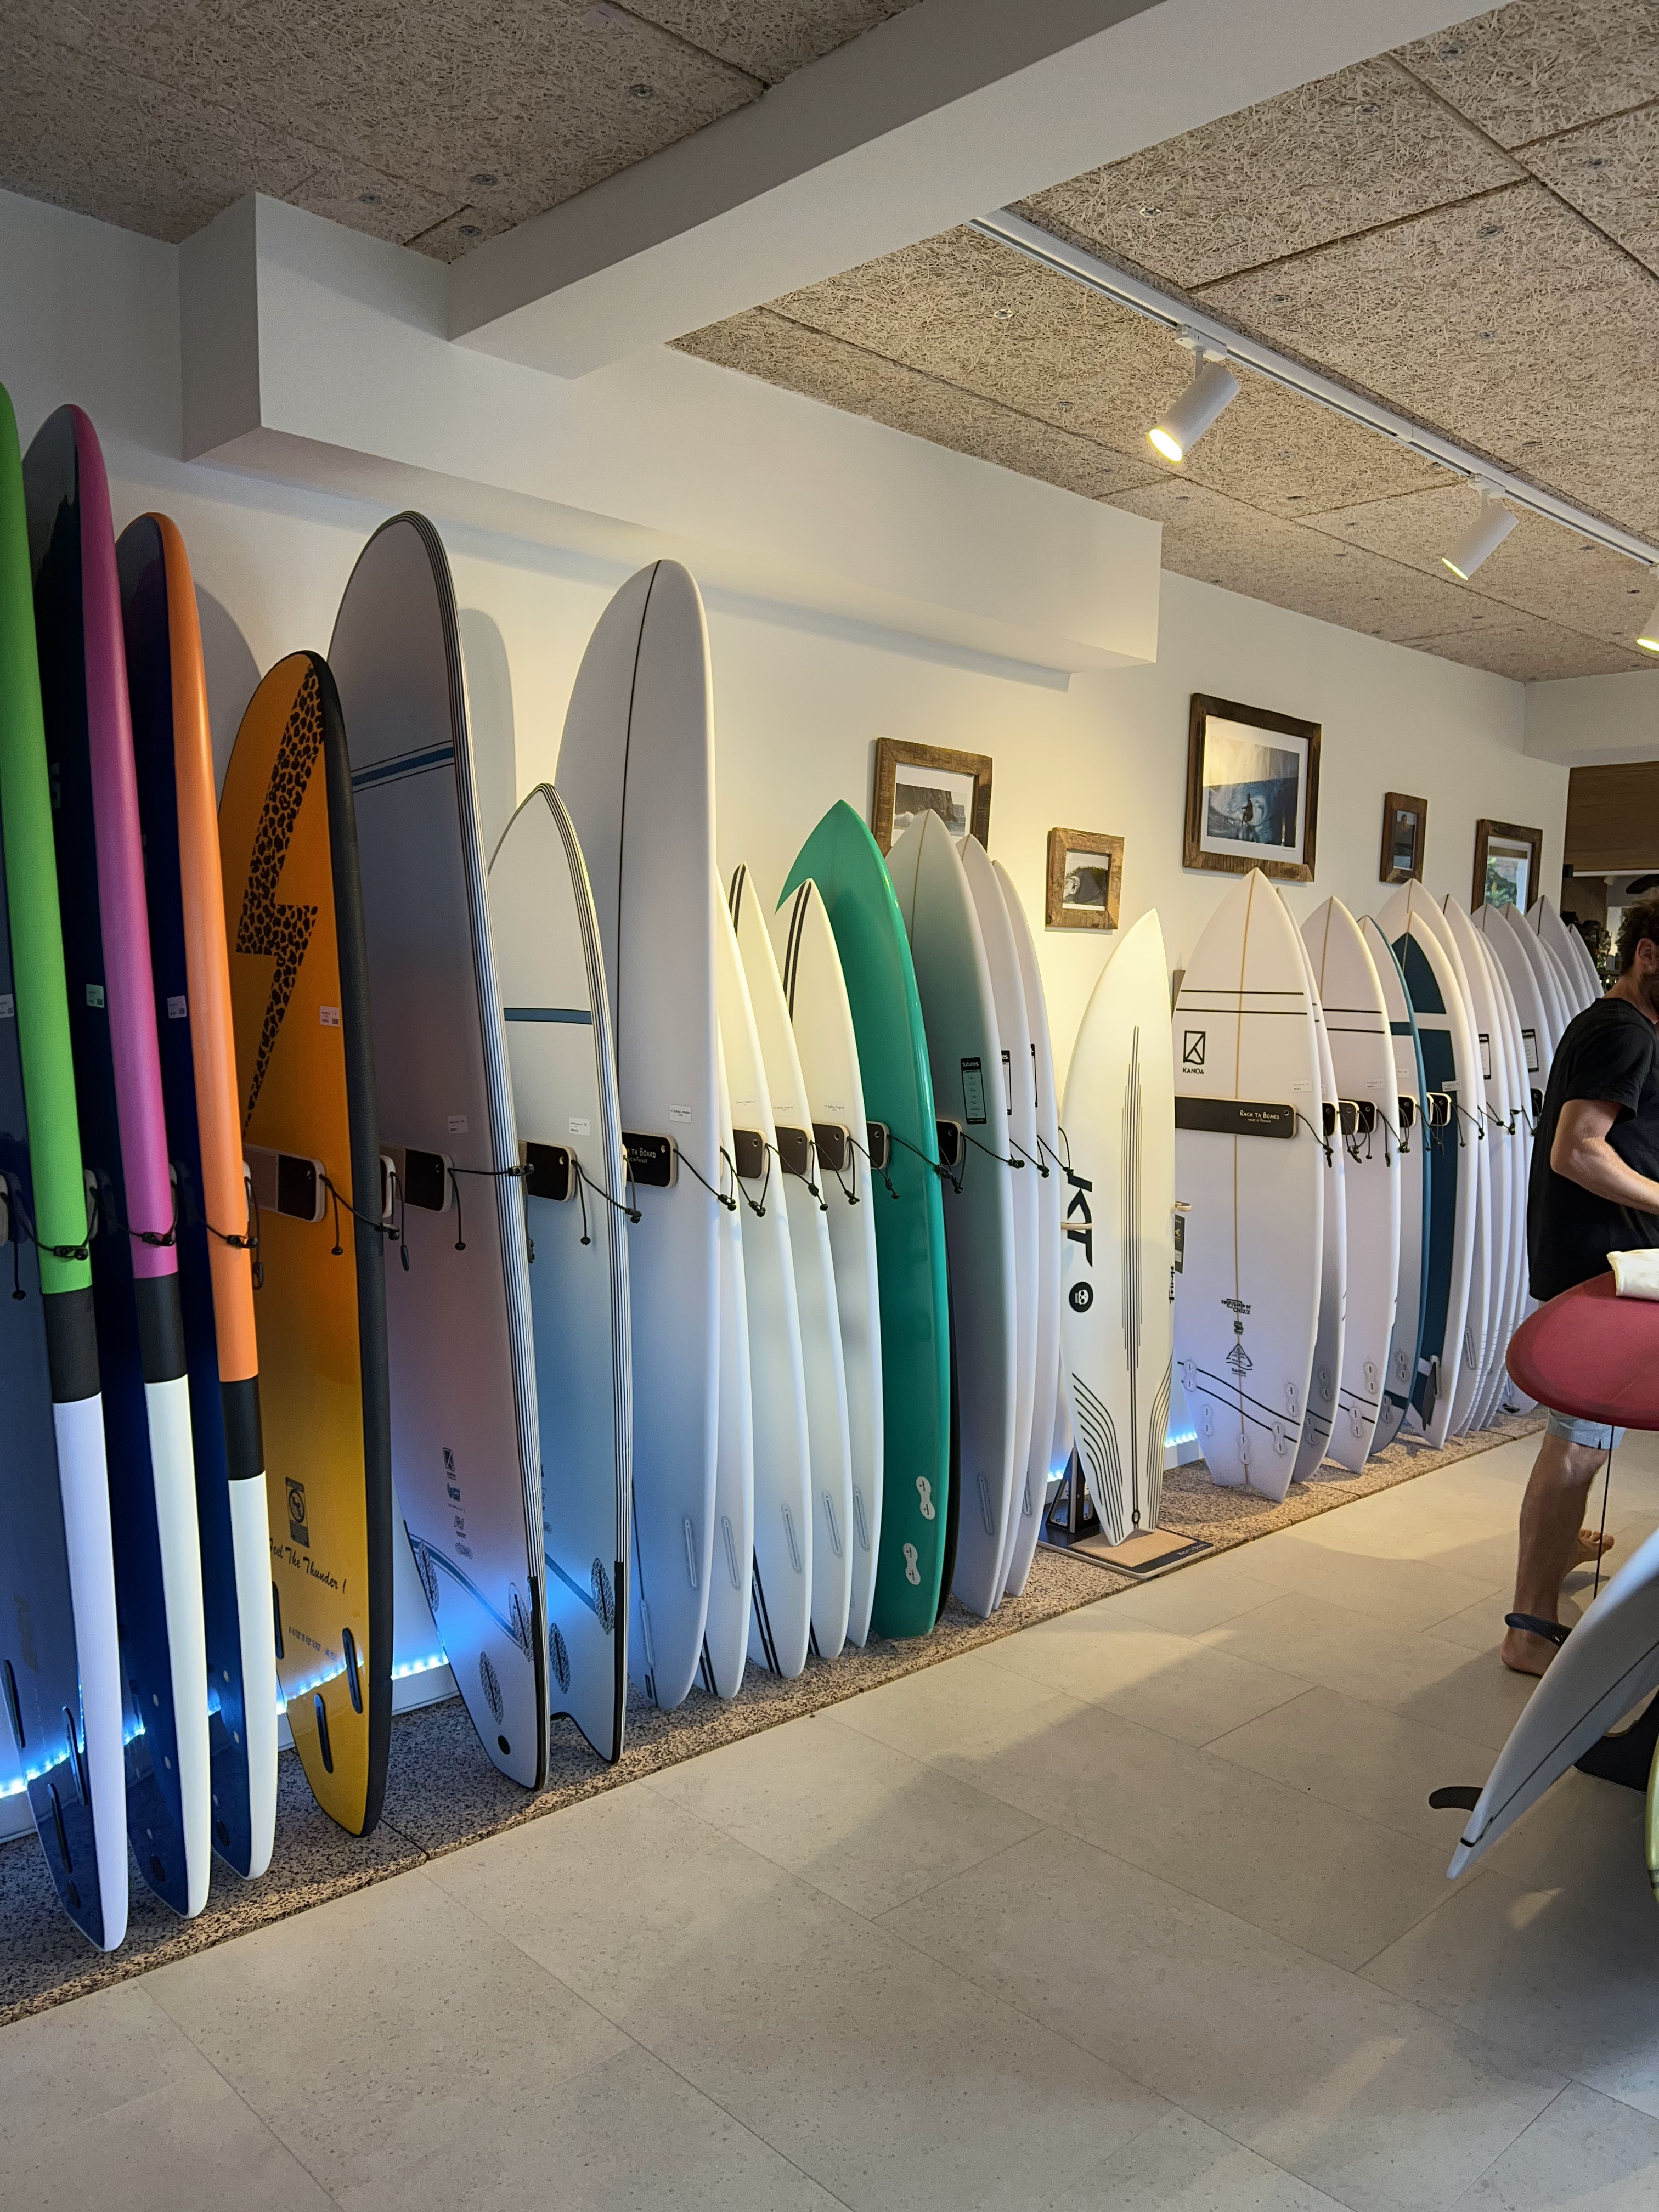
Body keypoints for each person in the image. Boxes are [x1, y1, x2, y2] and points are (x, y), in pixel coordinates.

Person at [1501, 898, 1659, 1675]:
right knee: (1578, 1446)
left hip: (1607, 1264)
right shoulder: (1624, 1031)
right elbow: (1578, 1150)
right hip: (1603, 1270)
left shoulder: (1618, 1024)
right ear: (1649, 954)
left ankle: (1560, 1549)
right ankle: (1528, 1627)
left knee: (1592, 1437)